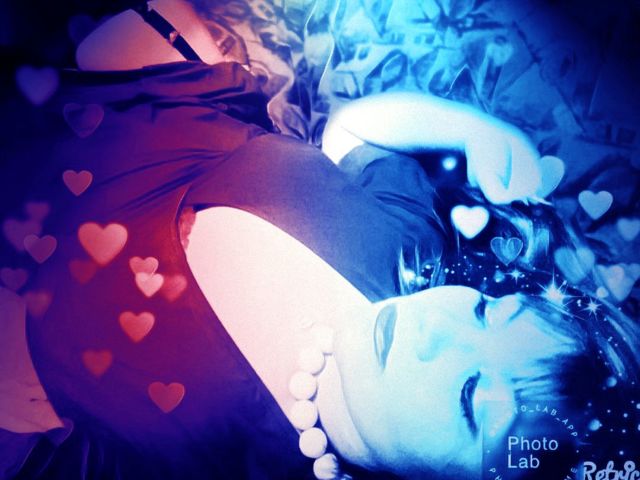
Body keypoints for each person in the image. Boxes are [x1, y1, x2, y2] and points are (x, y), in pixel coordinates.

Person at [0, 0, 637, 479]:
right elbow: (355, 135)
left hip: (40, 276)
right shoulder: (409, 251)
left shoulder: (233, 461)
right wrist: (467, 129)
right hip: (158, 122)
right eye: (485, 311)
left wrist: (38, 398)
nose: (437, 326)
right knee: (142, 26)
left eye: (470, 395)